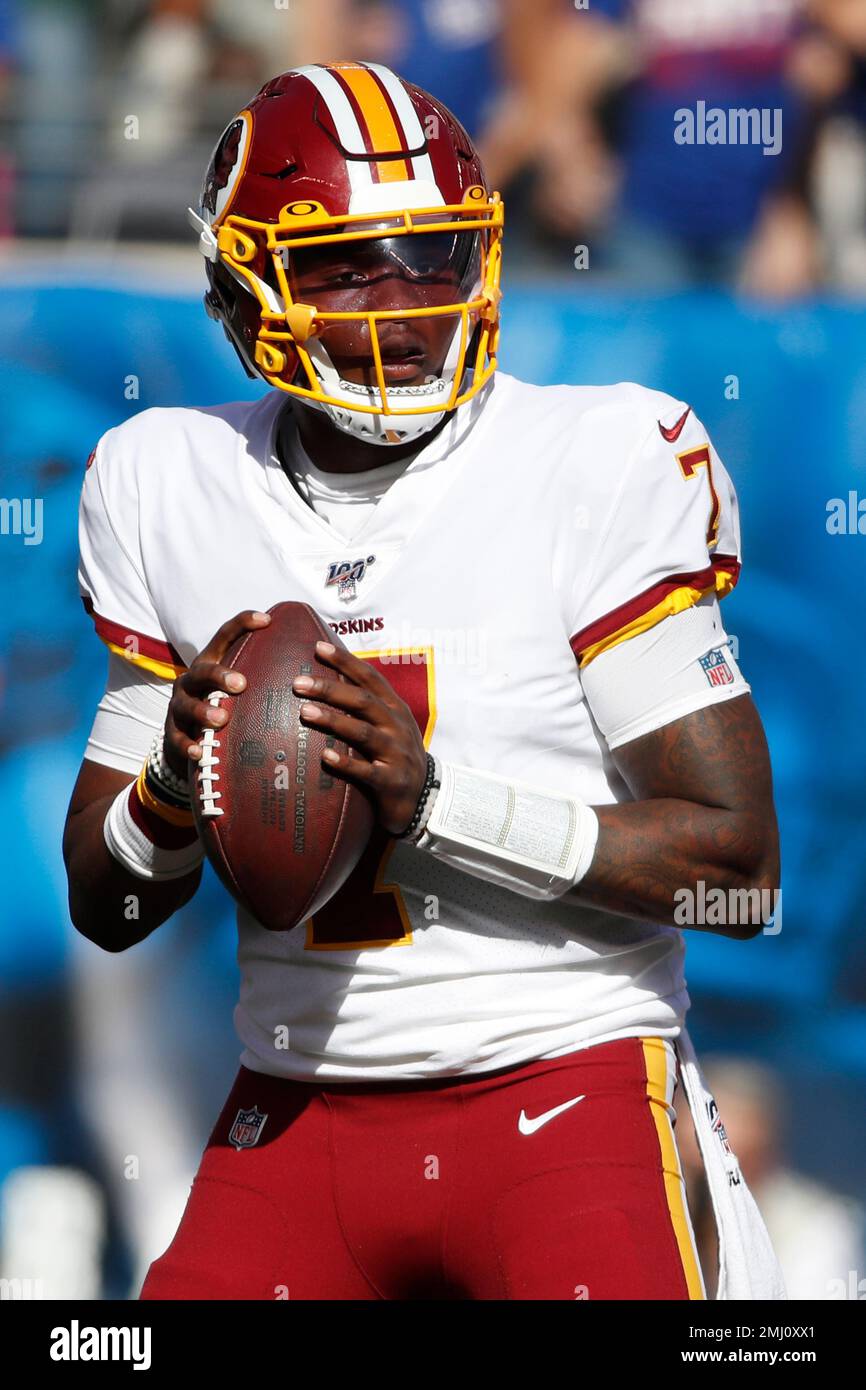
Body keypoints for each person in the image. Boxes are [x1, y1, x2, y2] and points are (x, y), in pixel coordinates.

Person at [63, 61, 781, 1301]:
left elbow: (742, 886)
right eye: (346, 264)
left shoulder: (594, 459)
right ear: (241, 287)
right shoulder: (161, 480)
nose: (402, 304)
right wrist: (169, 792)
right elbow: (109, 908)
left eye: (433, 255)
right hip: (292, 1109)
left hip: (564, 1087)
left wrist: (436, 801)